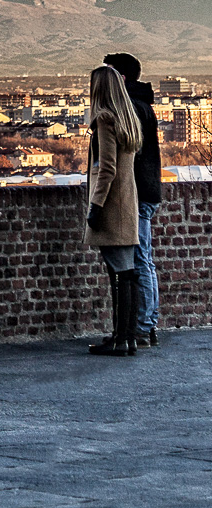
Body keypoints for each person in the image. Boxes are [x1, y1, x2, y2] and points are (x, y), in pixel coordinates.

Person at [84, 63, 143, 356]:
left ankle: (120, 340)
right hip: (127, 204)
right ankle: (127, 338)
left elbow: (106, 168)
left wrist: (95, 206)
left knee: (119, 274)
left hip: (111, 206)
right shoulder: (128, 119)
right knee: (128, 274)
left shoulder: (105, 119)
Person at [104, 52, 162, 346]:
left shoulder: (133, 109)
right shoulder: (142, 105)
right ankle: (145, 325)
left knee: (139, 260)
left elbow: (129, 155)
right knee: (143, 259)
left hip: (138, 191)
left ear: (121, 78)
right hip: (146, 189)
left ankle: (142, 326)